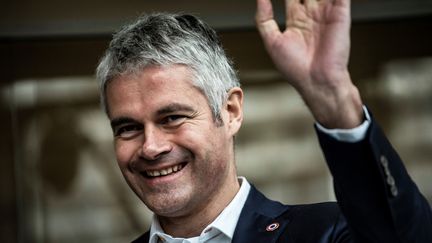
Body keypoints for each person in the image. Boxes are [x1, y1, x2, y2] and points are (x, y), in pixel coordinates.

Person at [96, 0, 432, 242]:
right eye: (128, 128)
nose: (151, 147)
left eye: (172, 117)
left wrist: (334, 99)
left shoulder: (328, 232)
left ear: (230, 112)